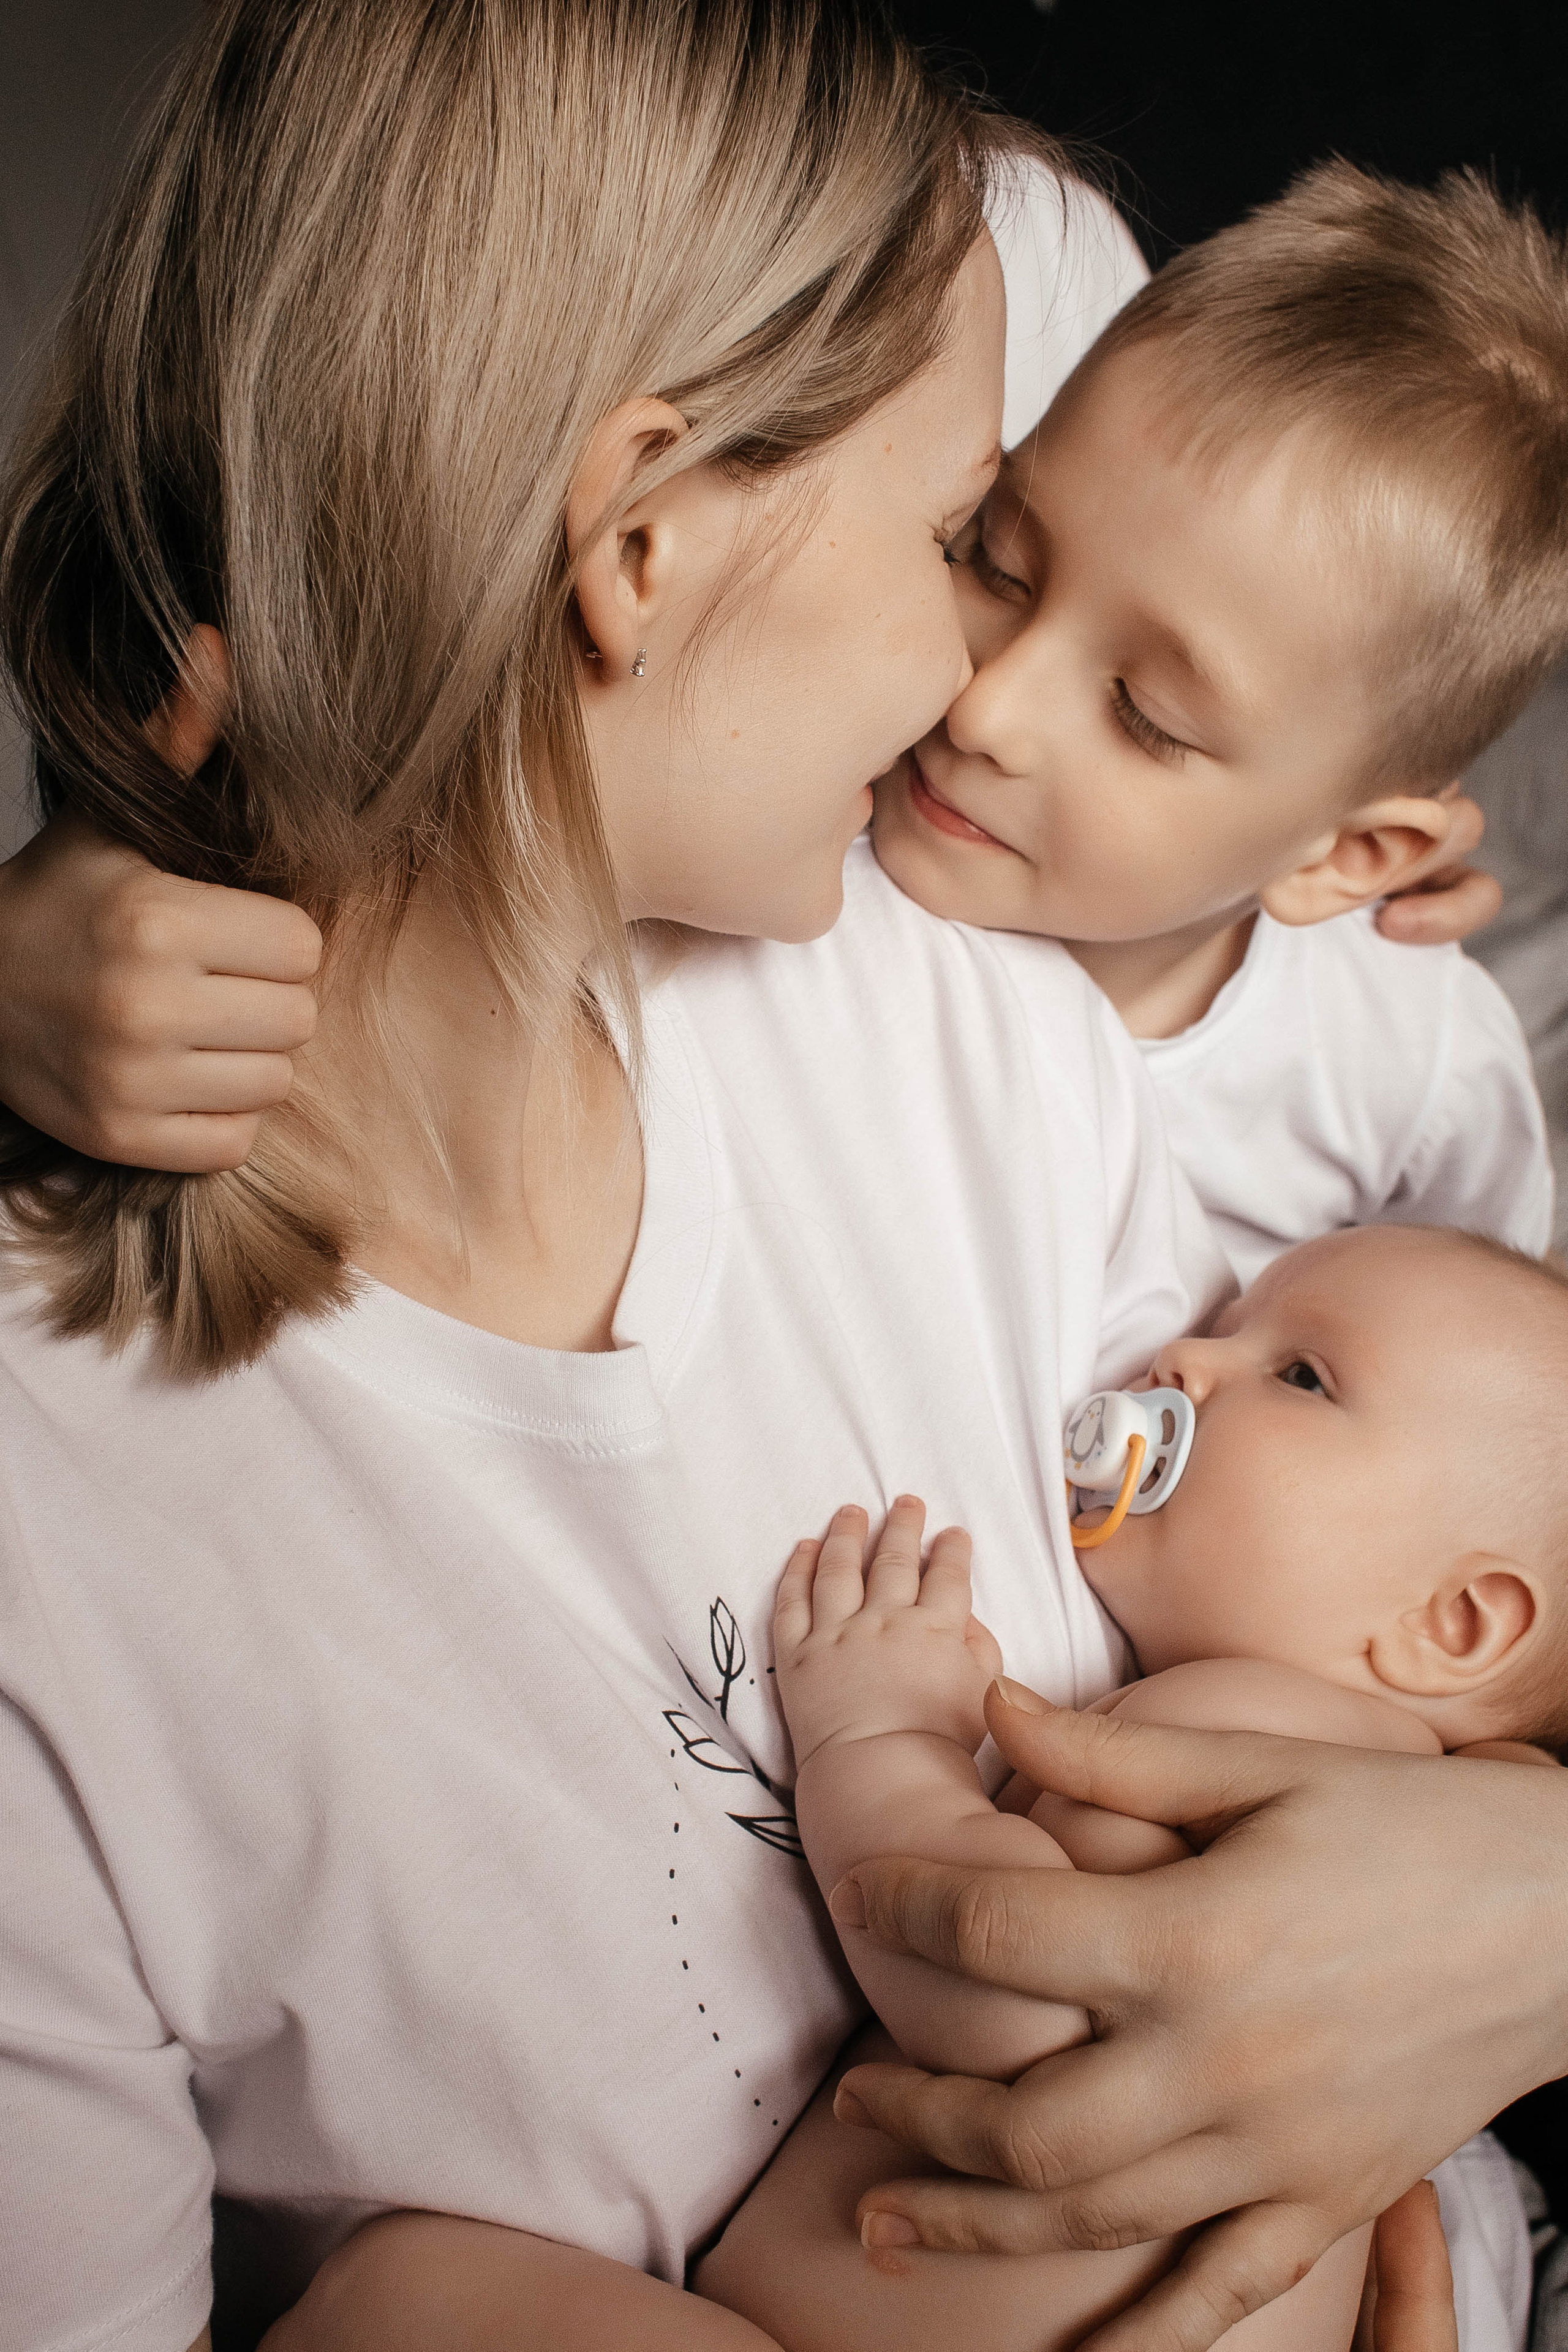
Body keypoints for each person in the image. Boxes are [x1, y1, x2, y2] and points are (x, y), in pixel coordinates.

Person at [0, 21, 1563, 2352]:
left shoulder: (971, 969)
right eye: (973, 547)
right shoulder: (70, 1563)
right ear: (641, 549)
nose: (985, 694)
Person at [693, 1223, 1558, 2352]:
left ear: (1451, 1626)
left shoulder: (1247, 1736)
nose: (1184, 1363)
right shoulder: (1401, 1817)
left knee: (410, 2280)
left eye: (1301, 1376)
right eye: (1225, 1327)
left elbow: (1021, 2014)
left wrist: (880, 1734)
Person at [872, 160, 1564, 1286]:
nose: (986, 706)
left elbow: (1490, 1392)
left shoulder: (1412, 1069)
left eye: (1146, 718)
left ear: (1350, 854)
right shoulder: (812, 841)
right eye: (992, 560)